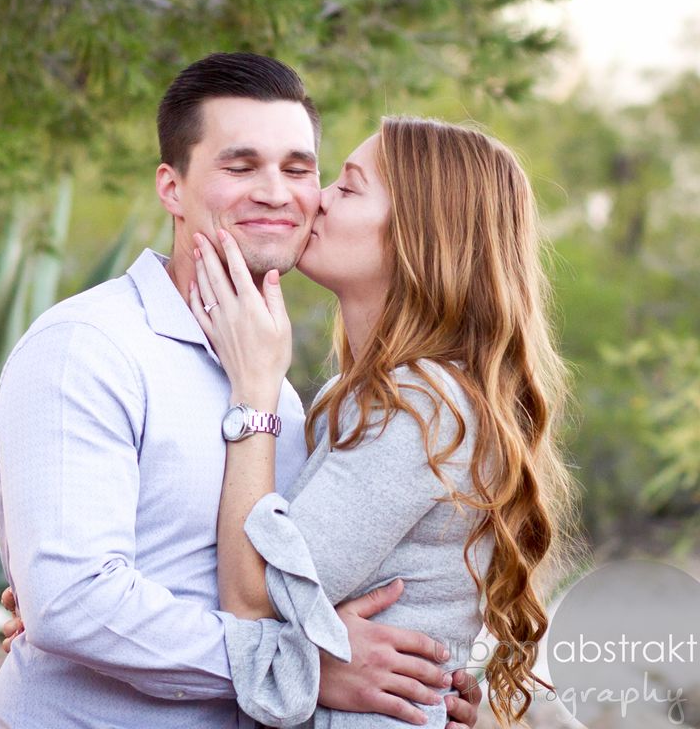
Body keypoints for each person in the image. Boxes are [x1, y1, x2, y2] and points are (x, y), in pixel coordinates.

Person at [0, 54, 481, 728]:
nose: (277, 193)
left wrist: (440, 684)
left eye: (300, 168)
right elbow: (73, 602)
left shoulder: (279, 393)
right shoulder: (88, 347)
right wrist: (299, 665)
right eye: (240, 166)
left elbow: (339, 581)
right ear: (172, 188)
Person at [186, 118, 576, 726]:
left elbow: (254, 599)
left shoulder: (423, 406)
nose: (317, 198)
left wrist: (255, 391)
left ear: (417, 236)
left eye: (349, 186)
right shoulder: (375, 396)